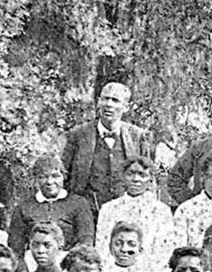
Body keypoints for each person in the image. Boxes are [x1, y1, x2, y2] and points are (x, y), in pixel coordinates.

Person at [60, 82, 154, 215]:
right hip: (86, 212)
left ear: (126, 107)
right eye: (105, 99)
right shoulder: (78, 134)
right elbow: (63, 173)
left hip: (127, 210)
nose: (109, 104)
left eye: (115, 100)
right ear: (98, 102)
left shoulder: (137, 137)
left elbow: (149, 177)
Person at [7, 156, 95, 272]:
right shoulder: (24, 208)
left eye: (55, 176)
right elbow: (15, 248)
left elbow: (86, 240)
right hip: (33, 264)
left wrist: (70, 267)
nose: (49, 182)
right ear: (35, 180)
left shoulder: (78, 203)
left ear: (64, 177)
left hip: (68, 266)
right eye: (43, 177)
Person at [95, 156, 176, 267]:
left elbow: (164, 249)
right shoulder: (108, 209)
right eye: (130, 174)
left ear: (151, 179)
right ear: (123, 176)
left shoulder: (161, 211)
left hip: (149, 271)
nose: (136, 179)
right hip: (113, 270)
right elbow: (102, 246)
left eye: (142, 175)